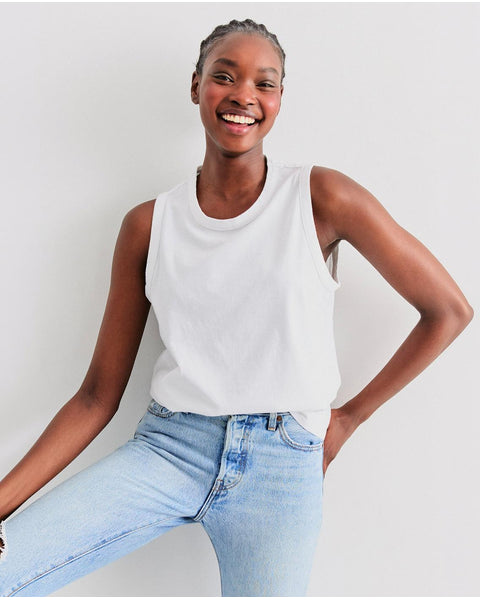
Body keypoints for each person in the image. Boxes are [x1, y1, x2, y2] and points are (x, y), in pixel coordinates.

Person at [0, 17, 473, 597]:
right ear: (196, 86)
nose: (244, 94)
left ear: (279, 99)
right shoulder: (148, 225)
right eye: (224, 76)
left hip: (282, 465)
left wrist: (348, 419)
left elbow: (448, 310)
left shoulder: (322, 197)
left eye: (264, 83)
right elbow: (97, 396)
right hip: (168, 448)